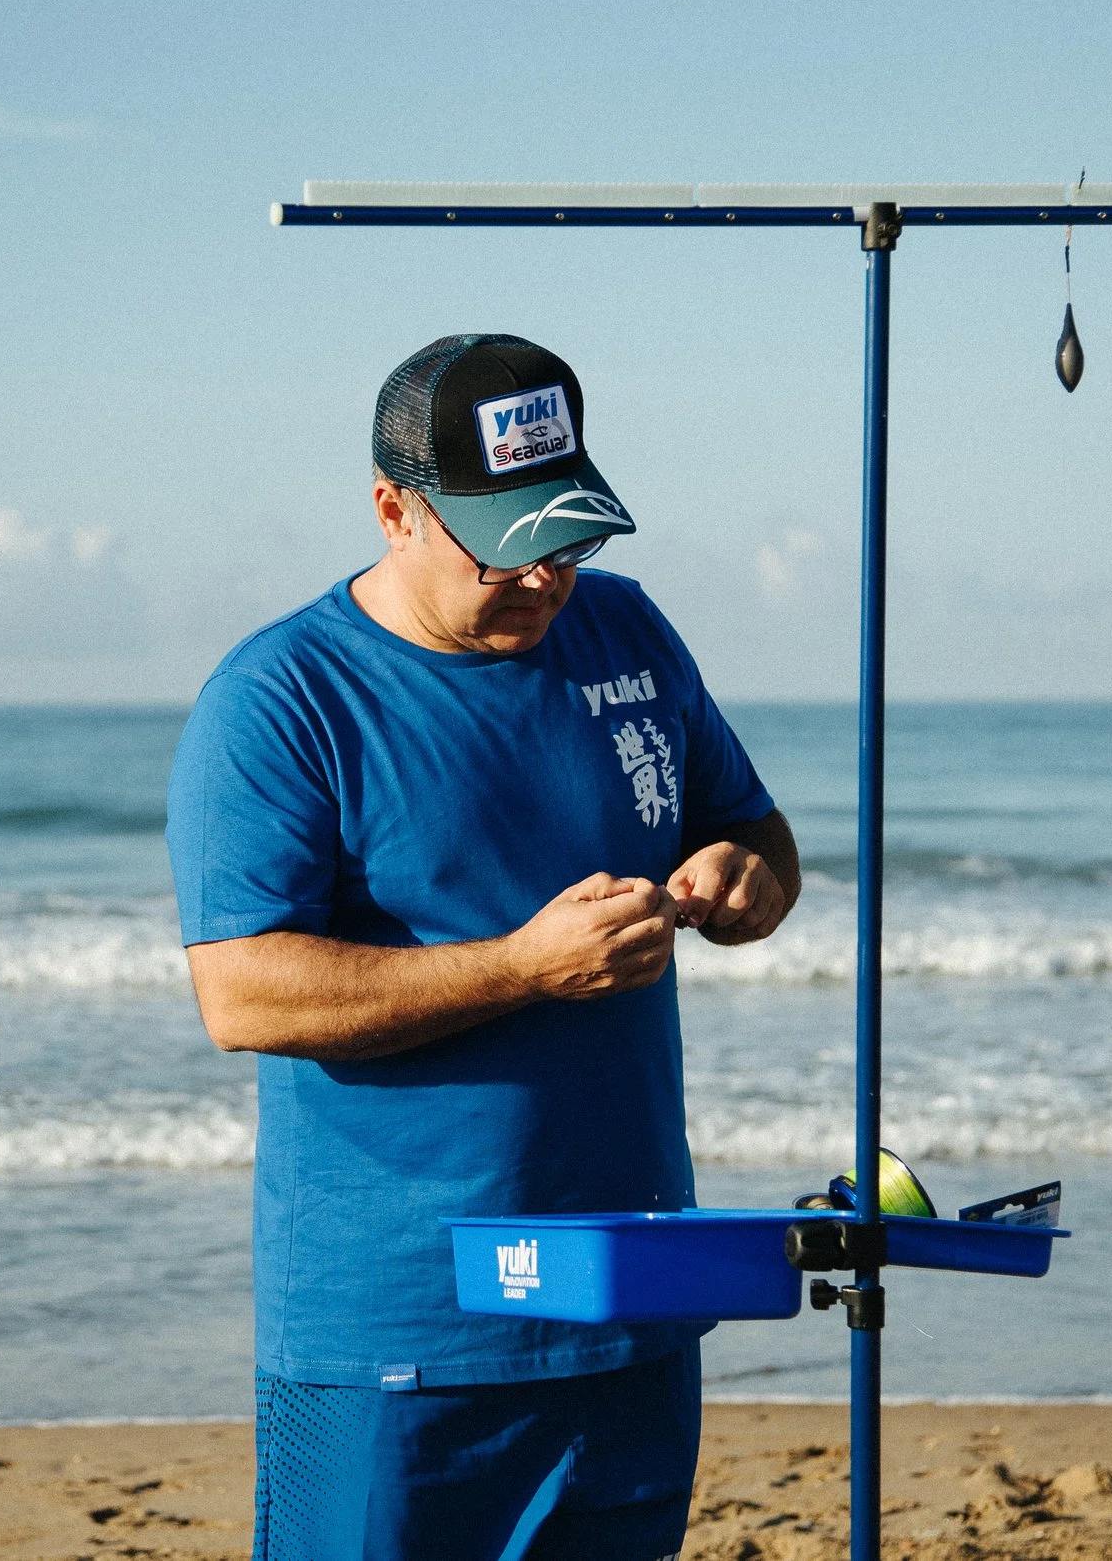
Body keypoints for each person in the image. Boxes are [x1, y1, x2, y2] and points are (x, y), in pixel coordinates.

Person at [167, 334, 800, 1561]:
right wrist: (520, 964)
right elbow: (242, 993)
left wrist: (746, 880)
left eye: (566, 538)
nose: (544, 578)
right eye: (504, 546)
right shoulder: (280, 696)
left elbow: (752, 829)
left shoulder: (626, 632)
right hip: (398, 1327)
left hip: (629, 1293)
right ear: (392, 510)